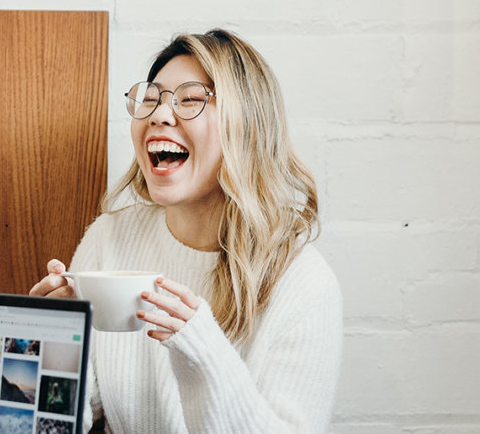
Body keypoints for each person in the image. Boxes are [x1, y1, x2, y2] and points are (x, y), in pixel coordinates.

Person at [30, 29, 342, 433]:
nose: (159, 114)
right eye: (150, 99)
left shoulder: (303, 284)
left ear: (246, 126)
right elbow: (73, 413)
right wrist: (54, 339)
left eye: (191, 99)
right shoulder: (111, 236)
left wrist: (202, 351)